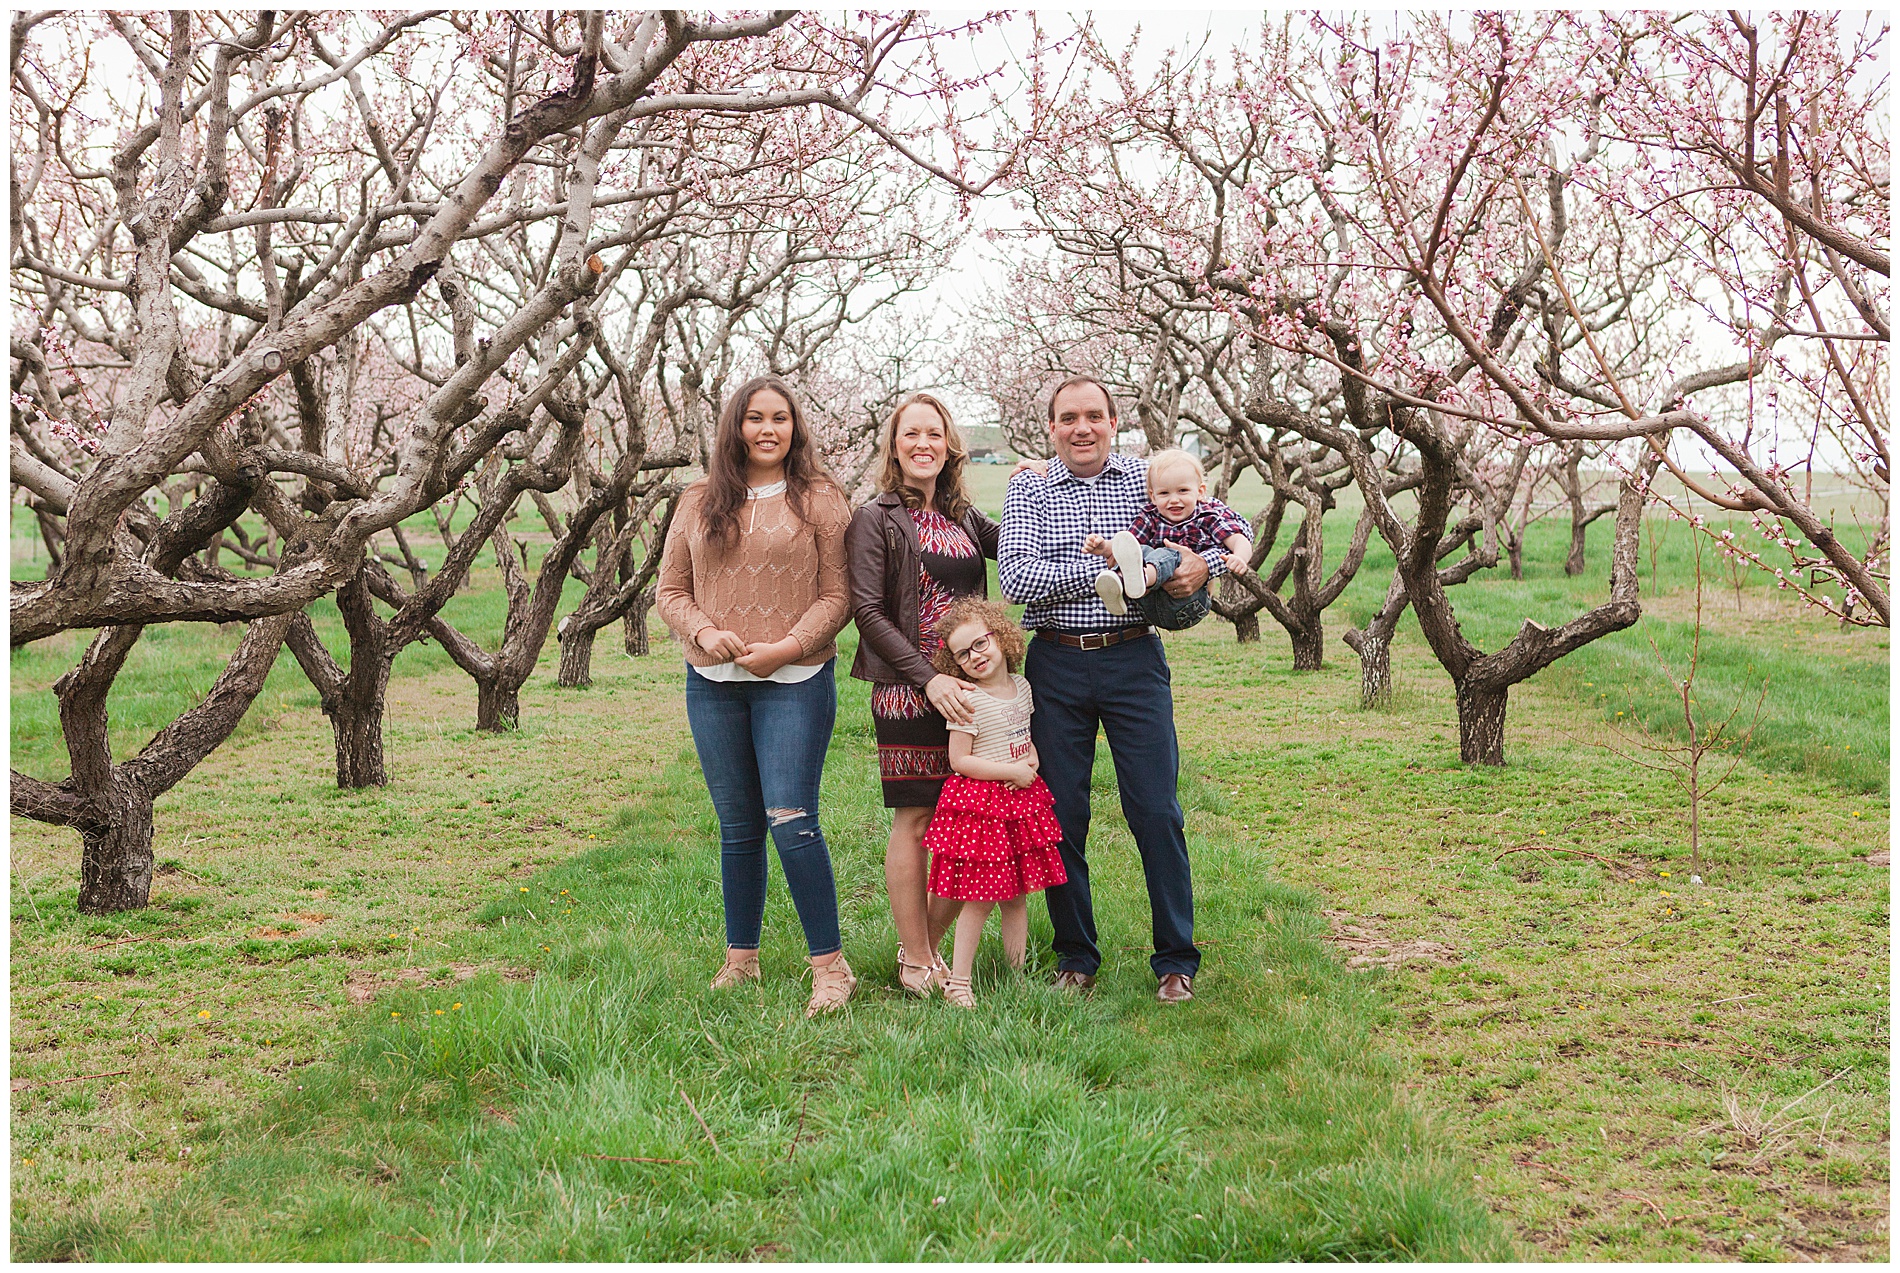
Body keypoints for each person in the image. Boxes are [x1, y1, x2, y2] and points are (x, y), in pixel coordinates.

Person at [996, 376, 1226, 1004]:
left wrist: (1195, 563)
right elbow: (1018, 578)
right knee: (1062, 814)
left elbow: (1199, 536)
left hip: (1132, 663)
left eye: (1093, 415)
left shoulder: (1146, 477)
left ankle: (1176, 959)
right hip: (1057, 664)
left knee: (1156, 810)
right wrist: (1113, 574)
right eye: (1068, 418)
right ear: (1051, 427)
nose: (1081, 428)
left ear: (1113, 420)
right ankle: (1075, 955)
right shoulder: (1030, 485)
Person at [655, 374, 858, 1018]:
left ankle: (830, 966)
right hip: (713, 684)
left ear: (795, 428)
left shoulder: (822, 500)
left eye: (780, 418)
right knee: (738, 828)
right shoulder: (697, 500)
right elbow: (670, 590)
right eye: (754, 418)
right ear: (734, 428)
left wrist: (788, 648)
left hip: (793, 683)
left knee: (791, 821)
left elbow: (839, 594)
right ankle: (741, 957)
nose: (767, 430)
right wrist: (704, 630)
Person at [846, 393, 1000, 999]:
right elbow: (866, 609)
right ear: (894, 445)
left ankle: (928, 949)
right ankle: (915, 961)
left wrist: (1037, 482)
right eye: (911, 434)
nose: (923, 445)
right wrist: (927, 678)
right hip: (910, 691)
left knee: (968, 819)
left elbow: (1013, 537)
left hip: (970, 690)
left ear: (949, 444)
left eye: (934, 434)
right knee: (915, 821)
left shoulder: (963, 515)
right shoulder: (876, 516)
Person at [921, 598, 1067, 1008]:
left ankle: (1014, 976)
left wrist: (1032, 757)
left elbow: (1021, 732)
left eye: (980, 644)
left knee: (1017, 896)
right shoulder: (969, 700)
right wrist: (1012, 773)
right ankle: (959, 983)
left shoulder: (1022, 687)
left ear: (1000, 637)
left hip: (1019, 801)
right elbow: (960, 760)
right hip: (983, 805)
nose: (975, 657)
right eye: (962, 654)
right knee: (981, 897)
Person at [1084, 447, 1254, 629]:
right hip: (1150, 604)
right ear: (1153, 496)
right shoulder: (1150, 517)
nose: (1174, 500)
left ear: (1200, 492)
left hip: (1186, 604)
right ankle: (1119, 584)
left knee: (1171, 554)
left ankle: (1136, 578)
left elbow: (1237, 538)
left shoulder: (1206, 516)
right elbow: (1130, 545)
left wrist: (1240, 557)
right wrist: (1106, 547)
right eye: (1164, 493)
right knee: (1141, 550)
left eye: (1182, 491)